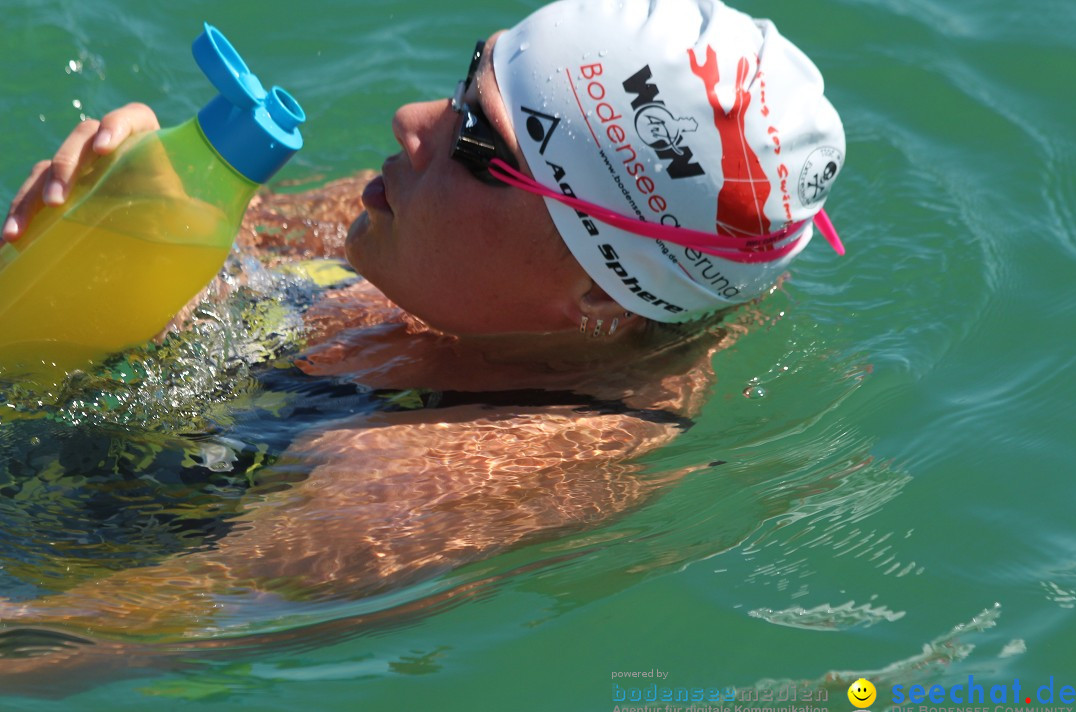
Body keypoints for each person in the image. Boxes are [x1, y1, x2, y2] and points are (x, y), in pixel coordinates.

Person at [0, 0, 845, 643]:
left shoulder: (430, 491)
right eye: (466, 80)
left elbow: (59, 641)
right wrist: (129, 205)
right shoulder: (406, 230)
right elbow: (221, 251)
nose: (412, 123)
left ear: (601, 295)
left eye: (475, 140)